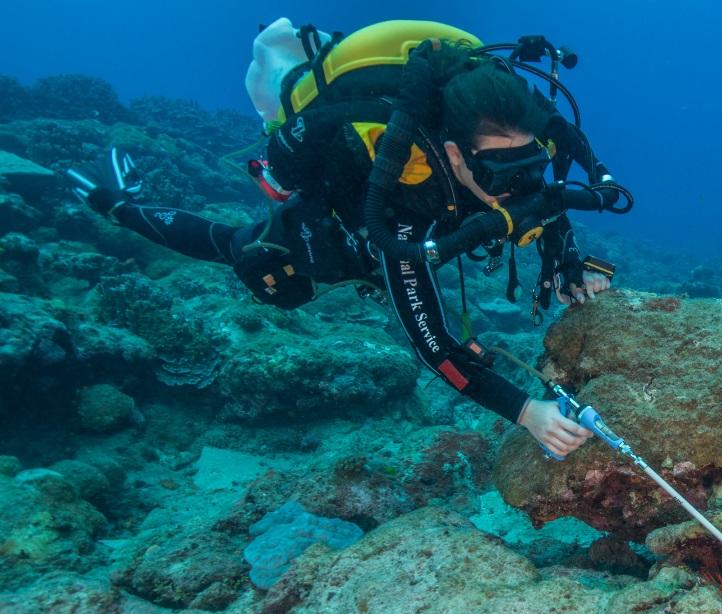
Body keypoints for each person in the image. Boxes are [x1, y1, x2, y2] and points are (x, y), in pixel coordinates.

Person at [67, 22, 630, 459]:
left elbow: (548, 201)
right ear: (454, 155)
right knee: (256, 262)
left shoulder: (522, 152)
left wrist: (569, 263)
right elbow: (432, 343)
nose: (522, 189)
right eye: (505, 175)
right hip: (347, 217)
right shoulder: (401, 203)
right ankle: (117, 203)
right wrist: (525, 410)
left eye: (533, 165)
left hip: (435, 206)